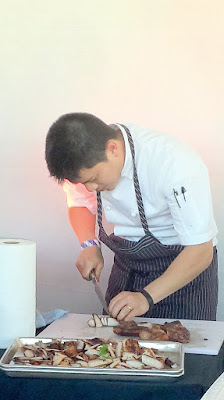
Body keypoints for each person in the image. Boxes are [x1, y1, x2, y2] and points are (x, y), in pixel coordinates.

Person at [45, 112, 218, 321]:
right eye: (83, 183)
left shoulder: (174, 162)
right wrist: (88, 243)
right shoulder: (83, 161)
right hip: (128, 269)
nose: (90, 188)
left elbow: (201, 250)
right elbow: (80, 204)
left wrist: (145, 297)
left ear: (113, 149)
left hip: (183, 273)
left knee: (184, 348)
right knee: (113, 350)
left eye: (93, 179)